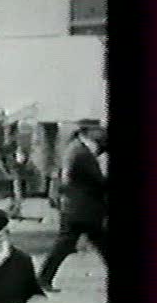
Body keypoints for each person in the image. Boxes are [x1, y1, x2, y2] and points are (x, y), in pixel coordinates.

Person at [38, 119, 108, 293]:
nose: (102, 131)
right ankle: (42, 279)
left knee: (100, 244)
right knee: (67, 245)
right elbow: (98, 181)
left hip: (78, 207)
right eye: (98, 129)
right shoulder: (82, 153)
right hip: (83, 209)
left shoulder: (76, 148)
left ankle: (43, 279)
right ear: (88, 131)